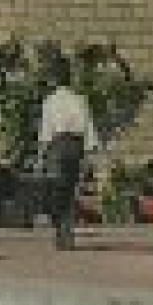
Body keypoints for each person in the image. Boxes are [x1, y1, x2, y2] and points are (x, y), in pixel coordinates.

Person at [37, 57, 101, 250]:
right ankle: (66, 230)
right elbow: (87, 126)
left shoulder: (50, 101)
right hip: (75, 146)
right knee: (69, 189)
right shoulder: (79, 99)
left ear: (54, 79)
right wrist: (90, 150)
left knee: (56, 189)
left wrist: (41, 155)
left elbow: (46, 131)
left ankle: (61, 228)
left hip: (58, 145)